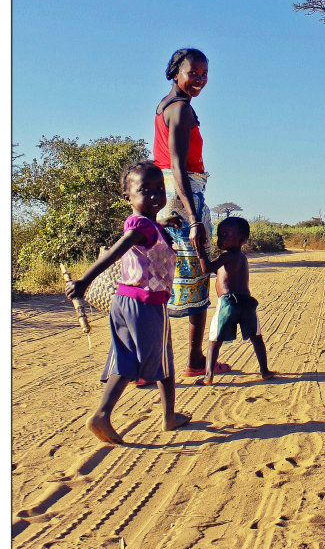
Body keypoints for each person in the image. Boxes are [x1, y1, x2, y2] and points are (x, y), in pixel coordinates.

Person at [64, 161, 191, 445]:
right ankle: (167, 417)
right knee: (163, 361)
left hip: (124, 302)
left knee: (127, 359)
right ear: (128, 197)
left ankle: (103, 414)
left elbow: (143, 238)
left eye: (160, 188)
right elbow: (115, 252)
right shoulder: (139, 228)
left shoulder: (146, 224)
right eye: (145, 190)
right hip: (147, 304)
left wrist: (162, 223)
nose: (156, 195)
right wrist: (84, 281)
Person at [153, 47, 223, 377]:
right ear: (175, 72)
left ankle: (148, 364)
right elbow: (178, 167)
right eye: (193, 72)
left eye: (204, 74)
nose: (199, 79)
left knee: (161, 282)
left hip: (169, 198)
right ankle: (193, 361)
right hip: (183, 199)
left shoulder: (165, 106)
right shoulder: (180, 110)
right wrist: (195, 218)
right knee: (197, 275)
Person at [197, 217, 276, 386]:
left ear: (242, 239)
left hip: (228, 303)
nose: (221, 238)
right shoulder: (241, 257)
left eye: (226, 234)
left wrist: (199, 249)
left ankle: (208, 376)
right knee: (256, 337)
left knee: (214, 340)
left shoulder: (226, 256)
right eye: (219, 234)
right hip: (247, 302)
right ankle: (265, 371)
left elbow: (206, 269)